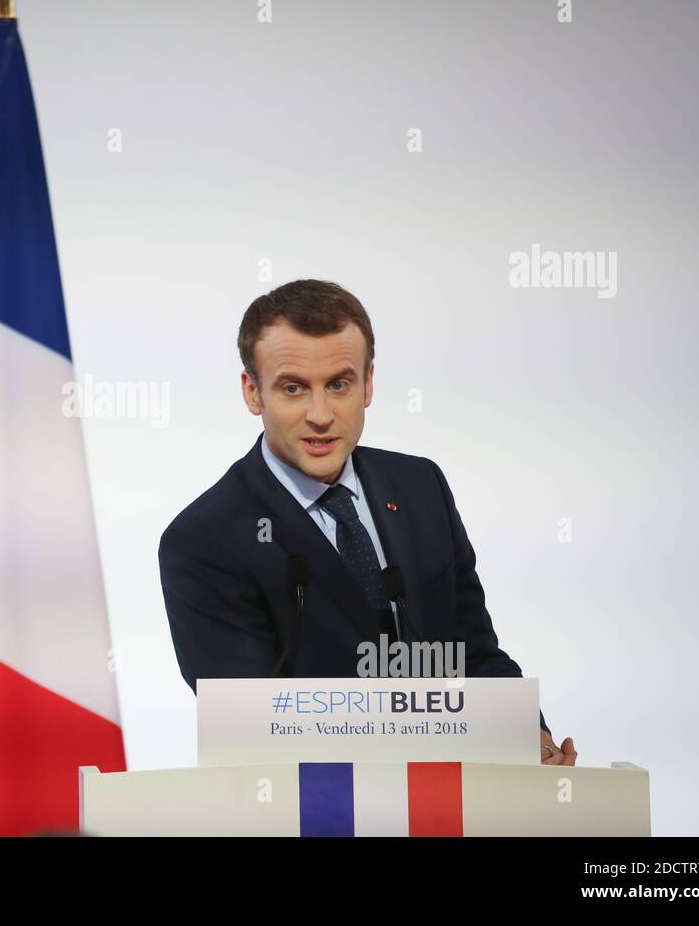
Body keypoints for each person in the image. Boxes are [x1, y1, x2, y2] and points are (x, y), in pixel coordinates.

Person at [158, 279, 577, 766]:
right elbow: (252, 730)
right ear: (253, 392)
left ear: (368, 383)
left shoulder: (421, 487)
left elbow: (471, 653)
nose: (321, 415)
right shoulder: (204, 541)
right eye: (293, 388)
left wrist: (525, 735)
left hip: (449, 803)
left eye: (339, 384)